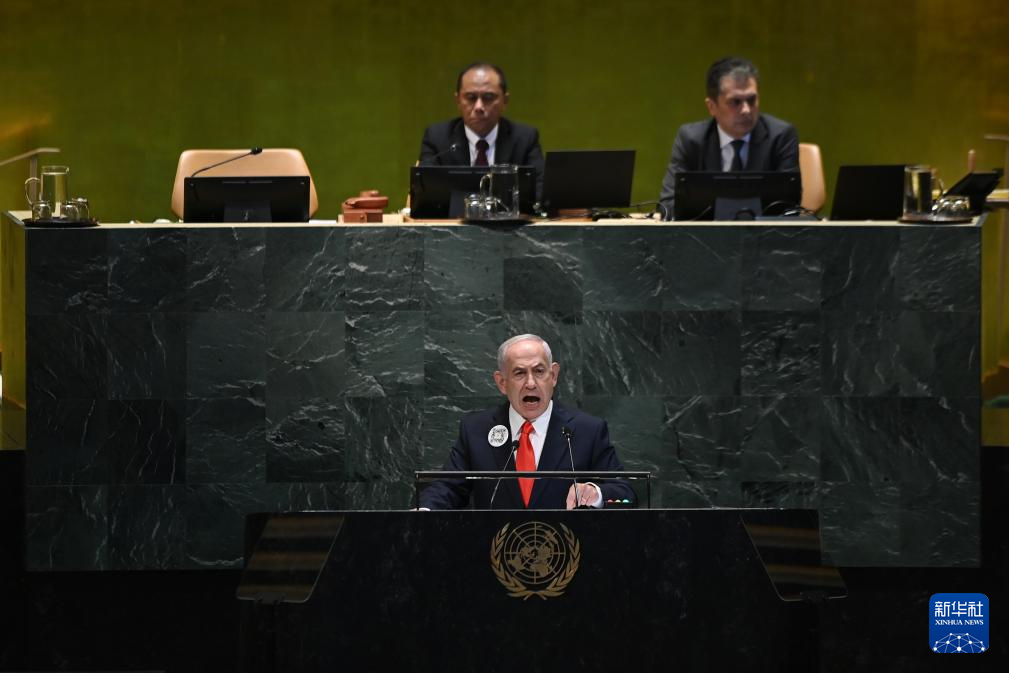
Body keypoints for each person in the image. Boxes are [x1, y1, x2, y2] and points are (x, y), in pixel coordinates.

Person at [419, 334, 637, 510]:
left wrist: (595, 493)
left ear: (553, 375)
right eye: (519, 373)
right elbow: (447, 488)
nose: (531, 383)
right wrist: (425, 512)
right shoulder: (477, 430)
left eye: (539, 371)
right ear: (502, 382)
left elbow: (626, 495)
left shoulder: (587, 430)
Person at [658, 56, 799, 219]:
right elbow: (668, 204)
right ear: (712, 107)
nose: (746, 110)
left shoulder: (781, 137)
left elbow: (789, 206)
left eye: (751, 100)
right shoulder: (691, 140)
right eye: (735, 102)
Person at [418, 62, 544, 202]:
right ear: (458, 100)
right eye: (471, 98)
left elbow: (540, 192)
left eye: (488, 97)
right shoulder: (437, 138)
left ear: (505, 101)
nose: (479, 107)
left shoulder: (525, 139)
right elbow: (425, 194)